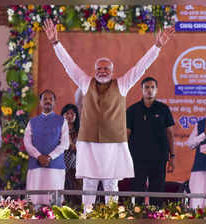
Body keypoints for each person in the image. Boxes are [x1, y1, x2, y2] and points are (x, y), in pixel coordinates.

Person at [43, 19, 174, 208]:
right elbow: (69, 65)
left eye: (106, 69)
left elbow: (141, 67)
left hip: (113, 143)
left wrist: (157, 46)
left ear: (112, 71)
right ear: (94, 70)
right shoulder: (86, 82)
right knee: (89, 183)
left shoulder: (122, 84)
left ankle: (111, 217)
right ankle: (87, 216)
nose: (102, 71)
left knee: (111, 184)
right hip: (88, 142)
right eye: (99, 68)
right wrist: (56, 43)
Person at [127, 77, 175, 206]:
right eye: (146, 87)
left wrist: (172, 156)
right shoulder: (132, 110)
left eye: (152, 87)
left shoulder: (163, 109)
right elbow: (126, 135)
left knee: (157, 191)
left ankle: (156, 217)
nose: (149, 90)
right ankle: (136, 216)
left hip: (159, 158)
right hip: (137, 158)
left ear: (157, 90)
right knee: (137, 190)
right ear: (142, 90)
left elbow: (170, 133)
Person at [24, 89, 69, 206]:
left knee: (55, 203)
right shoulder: (32, 122)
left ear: (54, 102)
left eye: (51, 99)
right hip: (36, 166)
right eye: (45, 99)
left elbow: (65, 143)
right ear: (40, 102)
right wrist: (39, 156)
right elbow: (27, 143)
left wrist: (49, 157)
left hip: (56, 167)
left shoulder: (62, 121)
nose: (48, 101)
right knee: (34, 201)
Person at [61, 104, 82, 205]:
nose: (69, 116)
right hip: (60, 167)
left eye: (72, 114)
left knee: (76, 196)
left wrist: (69, 139)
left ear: (76, 116)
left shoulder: (80, 132)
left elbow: (76, 148)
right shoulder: (58, 131)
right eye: (67, 113)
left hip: (75, 168)